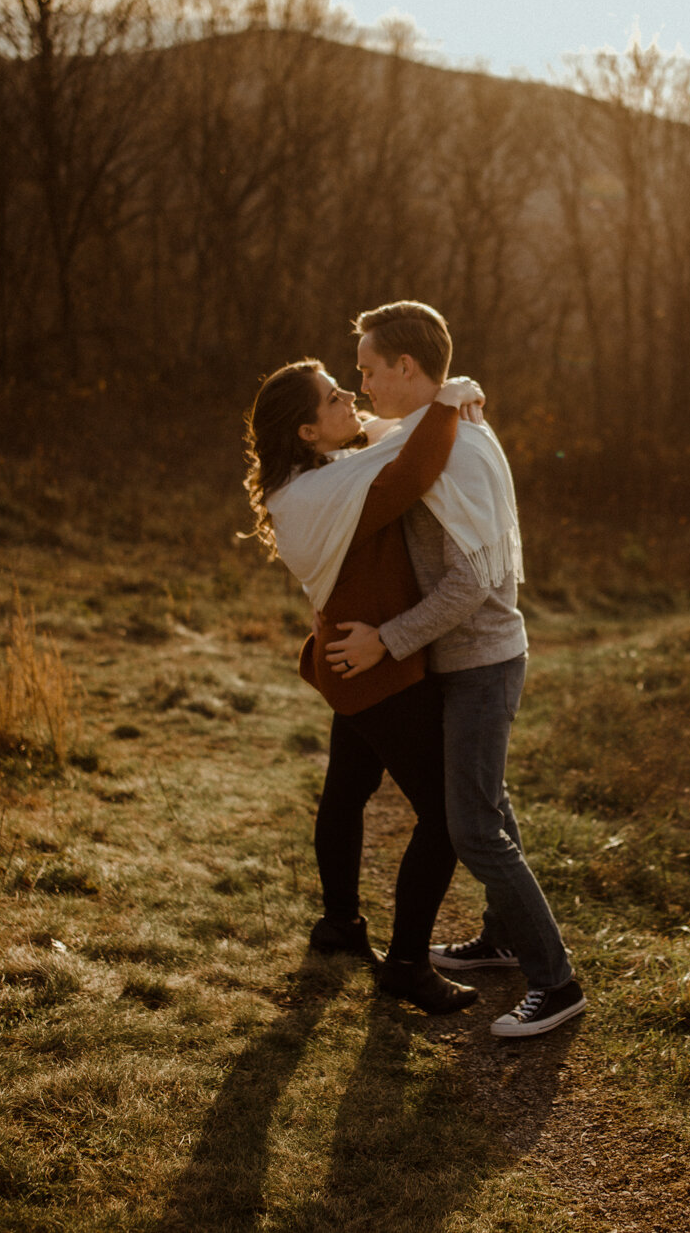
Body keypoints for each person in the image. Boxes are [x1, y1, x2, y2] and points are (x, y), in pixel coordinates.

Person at [324, 301, 587, 1039]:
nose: (363, 383)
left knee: (472, 825)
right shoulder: (436, 424)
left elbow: (471, 580)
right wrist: (453, 385)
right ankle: (504, 939)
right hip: (467, 661)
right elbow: (378, 433)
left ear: (407, 368)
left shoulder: (456, 446)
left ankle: (555, 980)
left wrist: (389, 639)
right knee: (488, 805)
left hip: (480, 663)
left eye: (370, 370)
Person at [240, 356, 484, 1015]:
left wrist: (399, 417)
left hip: (352, 658)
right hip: (373, 667)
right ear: (308, 432)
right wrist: (449, 396)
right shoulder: (321, 492)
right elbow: (410, 471)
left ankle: (341, 924)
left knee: (348, 788)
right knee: (445, 812)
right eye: (332, 397)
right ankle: (406, 963)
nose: (349, 396)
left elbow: (379, 442)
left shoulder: (311, 479)